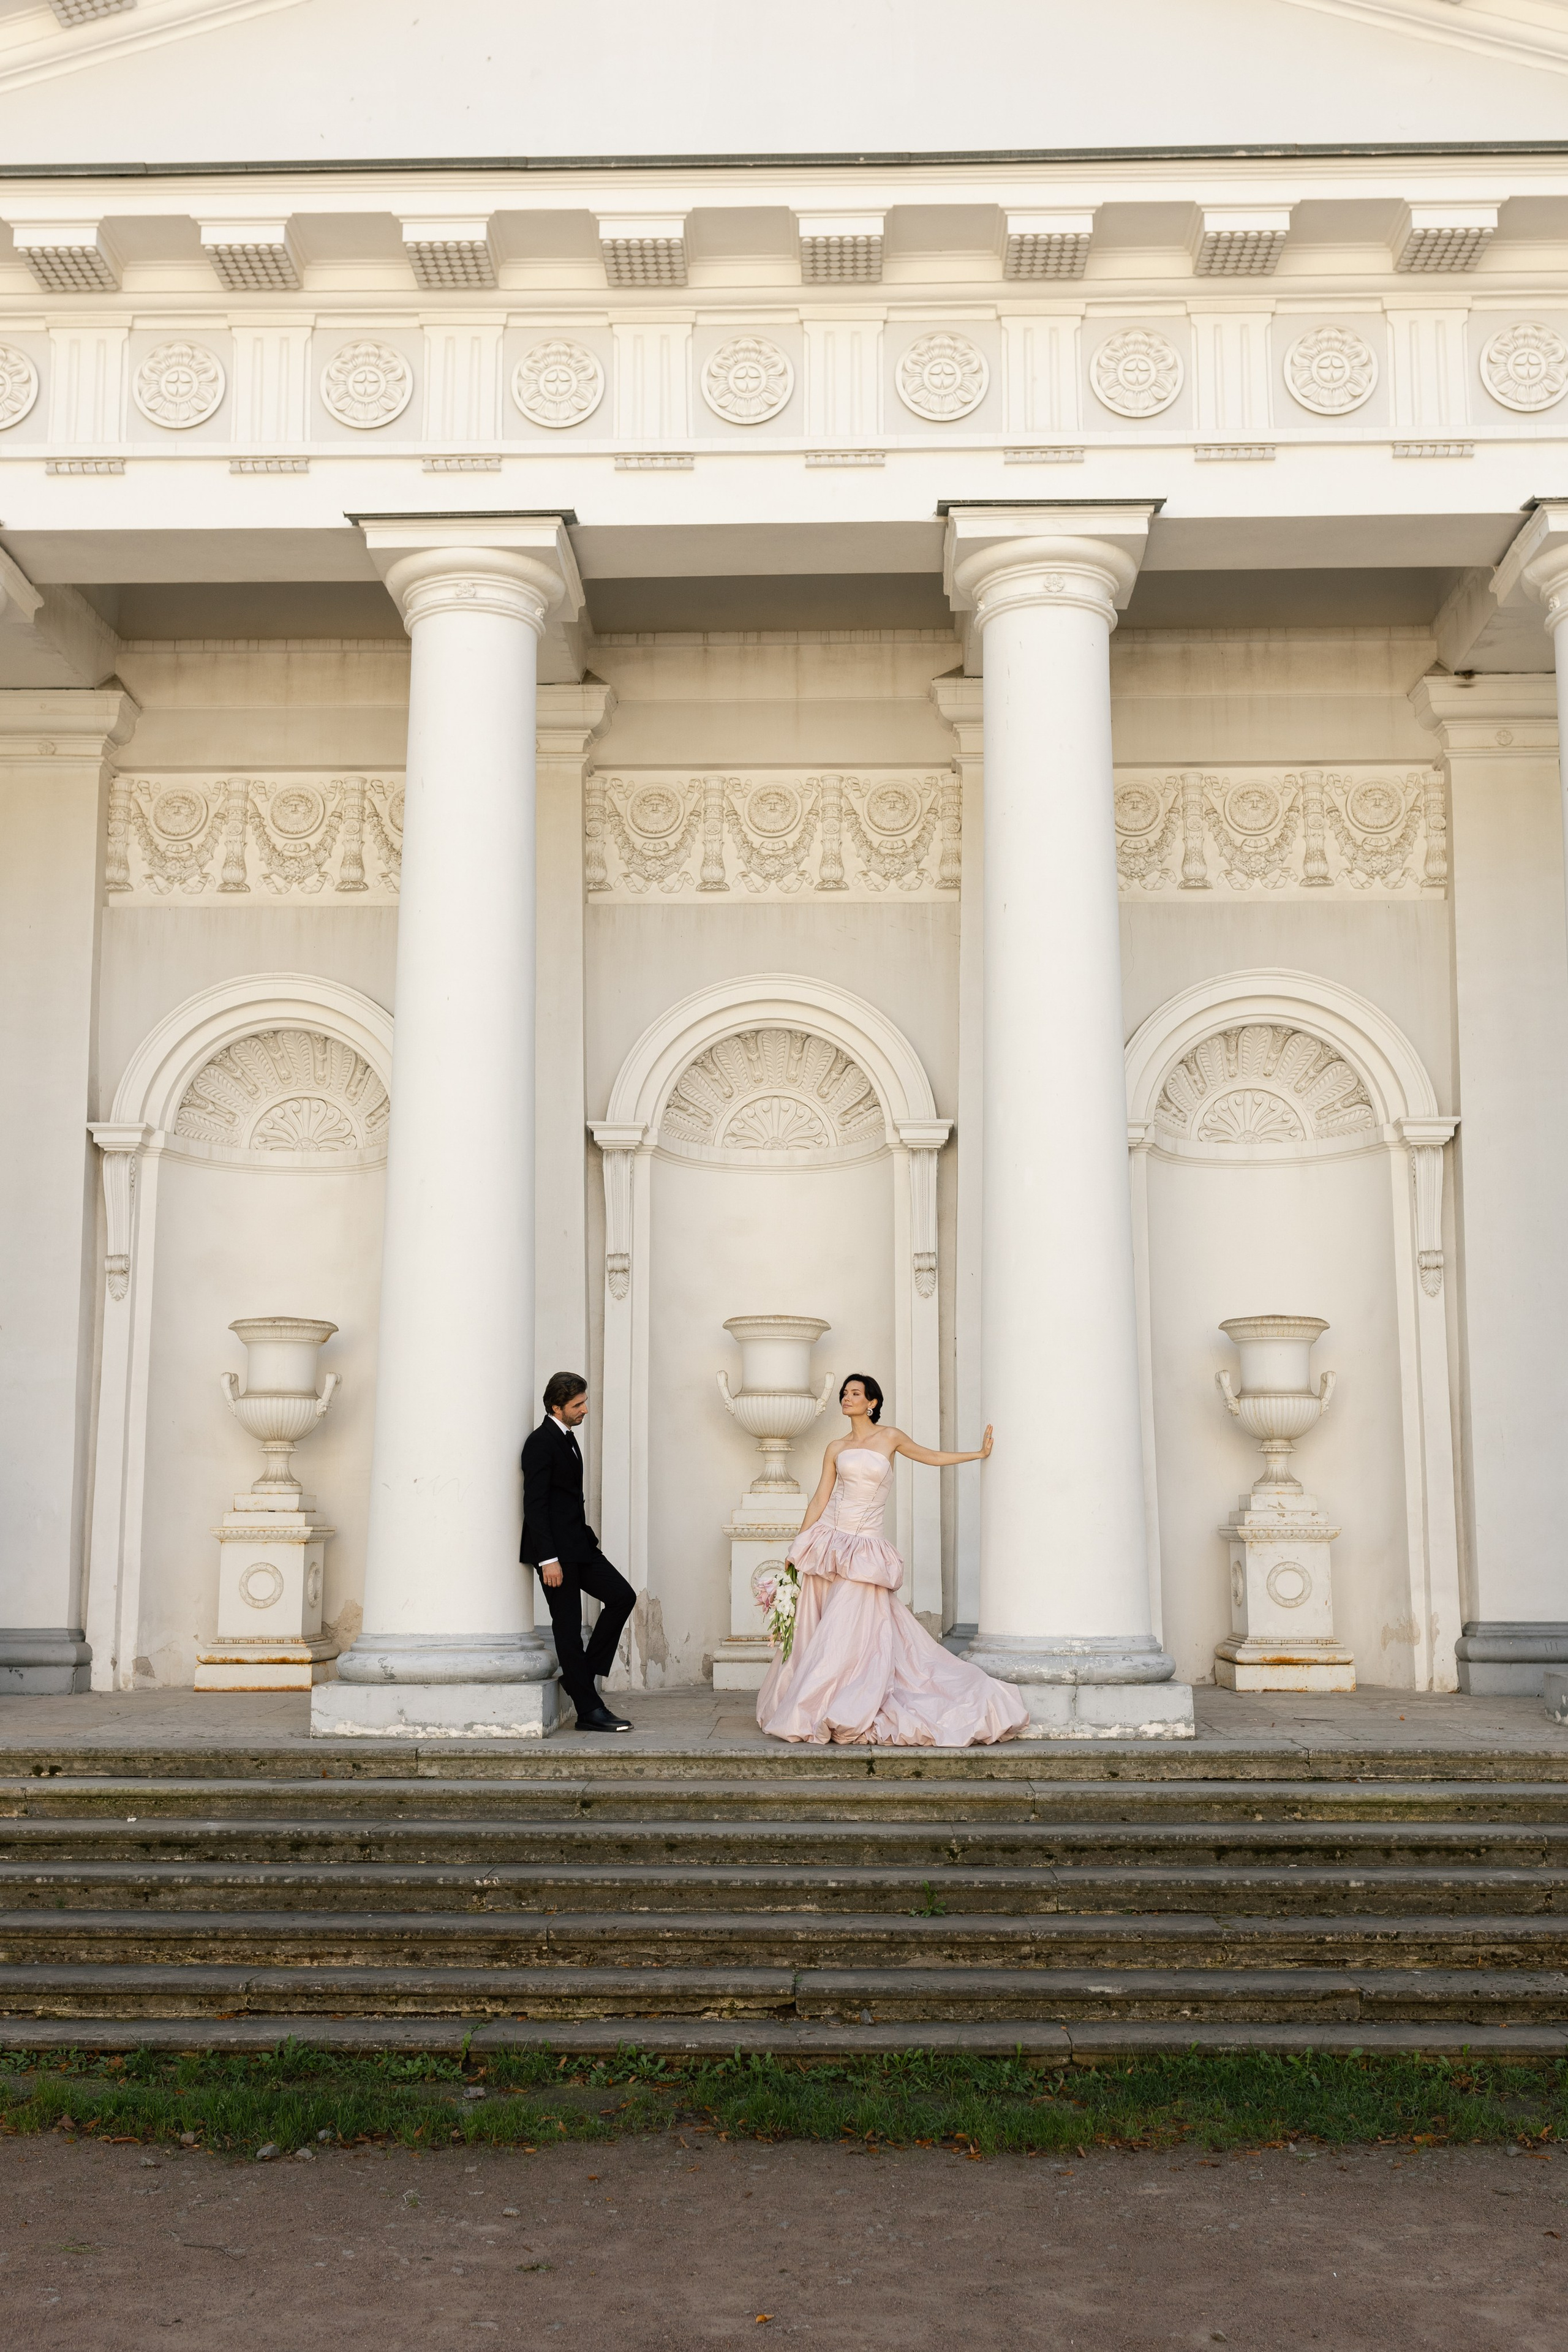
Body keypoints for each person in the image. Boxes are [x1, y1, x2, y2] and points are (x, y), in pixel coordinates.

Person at [756, 1373, 1028, 1747]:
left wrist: (977, 1454)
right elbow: (821, 1499)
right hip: (831, 1544)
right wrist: (797, 1548)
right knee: (829, 1628)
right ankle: (822, 1702)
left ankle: (836, 1704)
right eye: (844, 1394)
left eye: (855, 1393)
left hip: (865, 1550)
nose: (847, 1398)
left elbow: (930, 1457)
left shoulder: (891, 1437)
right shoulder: (836, 1446)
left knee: (845, 1626)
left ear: (872, 1401)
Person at [521, 1372, 636, 1733]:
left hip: (579, 1546)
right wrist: (548, 1560)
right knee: (568, 1628)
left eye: (584, 1402)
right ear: (557, 1407)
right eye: (578, 1405)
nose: (585, 1409)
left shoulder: (567, 1437)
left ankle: (580, 1677)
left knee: (622, 1596)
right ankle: (588, 1709)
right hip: (555, 1554)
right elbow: (535, 1506)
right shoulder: (540, 1443)